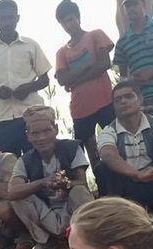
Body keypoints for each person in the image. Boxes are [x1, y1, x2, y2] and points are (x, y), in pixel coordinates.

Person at [8, 105, 93, 249]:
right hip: (45, 213)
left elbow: (82, 183)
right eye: (36, 133)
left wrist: (66, 184)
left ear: (56, 129)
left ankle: (86, 238)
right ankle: (44, 241)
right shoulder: (24, 160)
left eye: (46, 131)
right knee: (17, 198)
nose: (41, 138)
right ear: (28, 136)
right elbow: (12, 192)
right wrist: (42, 182)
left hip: (69, 210)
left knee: (79, 192)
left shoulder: (72, 148)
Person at [95, 81, 153, 212]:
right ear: (114, 106)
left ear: (140, 99)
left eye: (129, 96)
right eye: (118, 100)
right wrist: (138, 175)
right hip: (129, 188)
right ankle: (119, 214)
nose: (123, 101)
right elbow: (108, 154)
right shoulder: (108, 131)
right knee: (102, 168)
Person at [0, 0, 51, 157]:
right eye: (3, 19)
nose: (7, 23)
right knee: (8, 167)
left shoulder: (31, 45)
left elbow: (45, 80)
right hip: (3, 119)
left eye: (10, 18)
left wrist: (27, 88)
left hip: (32, 114)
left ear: (17, 18)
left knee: (39, 160)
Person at [55, 1, 116, 170]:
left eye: (71, 20)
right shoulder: (62, 52)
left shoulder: (95, 35)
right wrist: (88, 65)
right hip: (80, 109)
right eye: (64, 22)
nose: (69, 25)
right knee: (89, 151)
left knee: (117, 142)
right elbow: (62, 79)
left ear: (78, 18)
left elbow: (104, 63)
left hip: (105, 101)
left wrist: (74, 80)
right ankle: (101, 186)